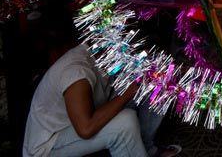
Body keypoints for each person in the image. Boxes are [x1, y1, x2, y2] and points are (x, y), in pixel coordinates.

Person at [22, 43, 181, 157]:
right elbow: (86, 129)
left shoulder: (101, 55)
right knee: (124, 123)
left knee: (153, 81)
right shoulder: (77, 73)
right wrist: (128, 93)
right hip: (48, 145)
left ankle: (146, 148)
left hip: (79, 121)